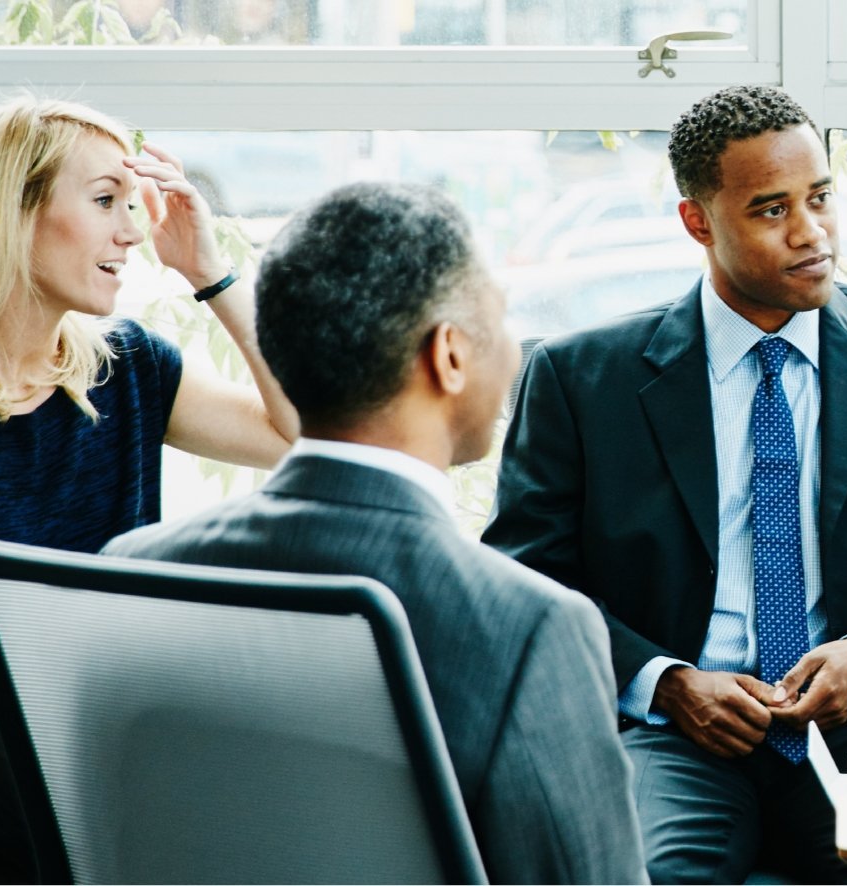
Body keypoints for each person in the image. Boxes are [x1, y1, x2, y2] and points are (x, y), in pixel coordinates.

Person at [483, 84, 847, 885]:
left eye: (819, 198)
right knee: (643, 876)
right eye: (771, 210)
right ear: (698, 221)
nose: (811, 232)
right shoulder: (581, 379)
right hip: (671, 737)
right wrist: (666, 684)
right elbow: (529, 583)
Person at [102, 181, 649, 884]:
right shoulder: (529, 624)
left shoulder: (135, 573)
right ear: (449, 356)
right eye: (501, 320)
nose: (515, 352)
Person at [0, 95, 297, 881]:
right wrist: (145, 670)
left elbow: (297, 436)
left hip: (103, 753)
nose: (133, 230)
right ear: (14, 215)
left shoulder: (126, 369)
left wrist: (210, 273)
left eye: (132, 203)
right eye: (106, 200)